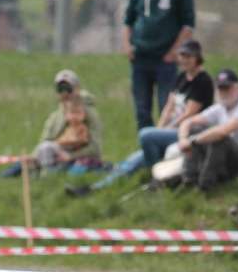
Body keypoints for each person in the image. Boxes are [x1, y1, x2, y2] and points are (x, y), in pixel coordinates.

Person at [66, 38, 212, 196]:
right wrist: (160, 129)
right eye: (182, 55)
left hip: (187, 133)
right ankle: (94, 189)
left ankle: (155, 175)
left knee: (145, 135)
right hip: (170, 131)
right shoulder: (182, 77)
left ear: (197, 57)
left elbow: (189, 113)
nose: (183, 59)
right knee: (129, 163)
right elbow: (168, 107)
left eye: (188, 56)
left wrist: (161, 132)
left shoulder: (202, 81)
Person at [123, 0, 196, 131]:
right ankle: (145, 144)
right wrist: (127, 46)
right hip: (140, 57)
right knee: (142, 109)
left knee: (167, 106)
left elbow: (188, 25)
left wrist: (174, 52)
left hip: (165, 59)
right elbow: (128, 21)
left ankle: (165, 143)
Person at [176, 68, 238, 191]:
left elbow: (222, 132)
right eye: (220, 88)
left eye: (227, 88)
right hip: (231, 158)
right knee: (195, 129)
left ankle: (205, 185)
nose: (224, 92)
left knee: (220, 139)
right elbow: (188, 122)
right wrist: (183, 139)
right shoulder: (220, 108)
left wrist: (192, 142)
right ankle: (189, 180)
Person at [31, 69, 103, 172]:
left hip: (82, 159)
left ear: (77, 89)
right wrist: (32, 158)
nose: (64, 93)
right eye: (60, 89)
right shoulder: (55, 117)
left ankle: (48, 174)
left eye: (68, 89)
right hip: (56, 157)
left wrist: (70, 156)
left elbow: (95, 148)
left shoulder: (90, 114)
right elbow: (44, 141)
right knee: (44, 149)